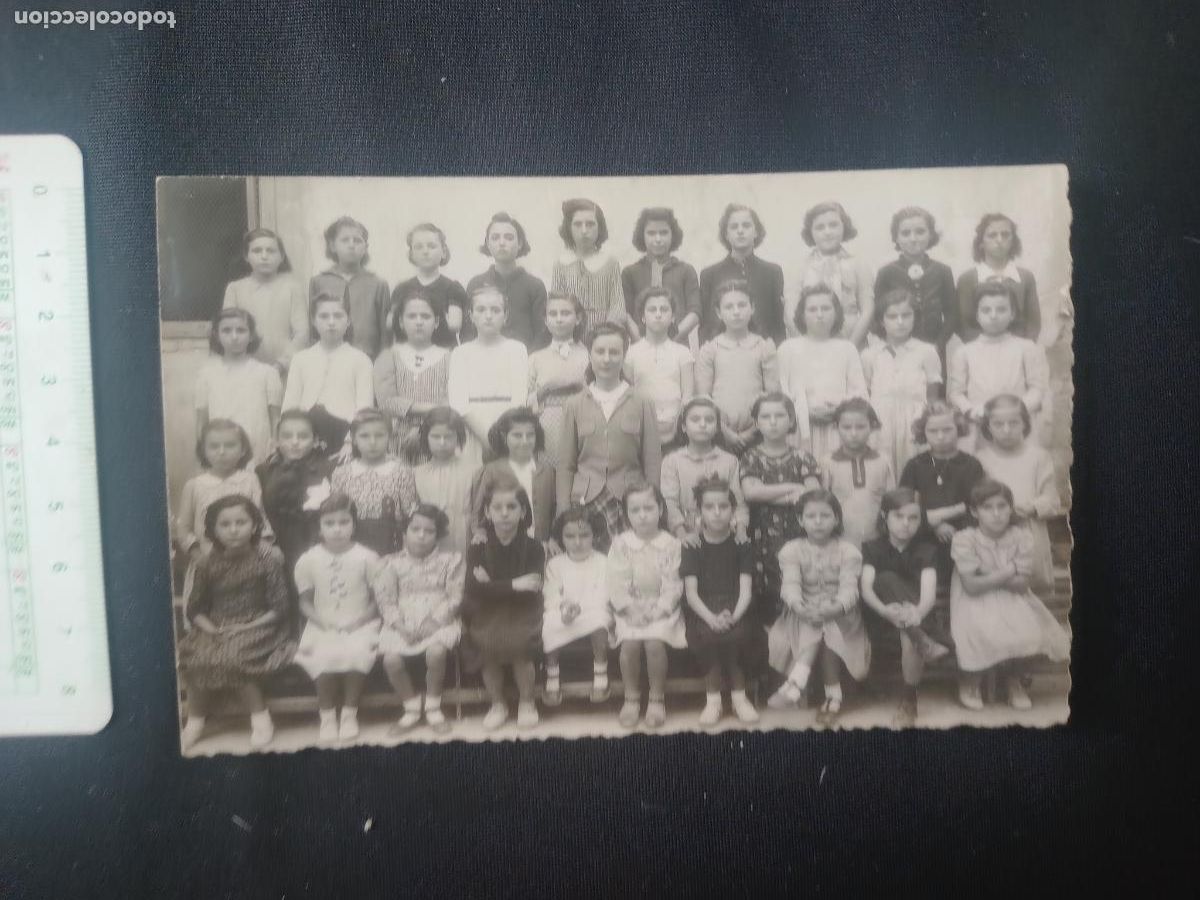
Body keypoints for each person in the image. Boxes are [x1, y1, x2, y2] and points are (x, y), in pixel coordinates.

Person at [177, 495, 295, 752]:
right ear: (213, 530)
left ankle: (260, 718)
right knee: (198, 657)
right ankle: (195, 722)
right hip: (215, 625)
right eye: (225, 524)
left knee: (233, 656)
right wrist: (213, 629)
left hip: (261, 625)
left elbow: (280, 608)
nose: (233, 530)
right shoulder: (206, 563)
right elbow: (195, 608)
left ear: (254, 526)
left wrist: (243, 628)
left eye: (241, 522)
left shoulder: (267, 560)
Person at [950, 478, 1069, 710]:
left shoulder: (1021, 537)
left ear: (1010, 508)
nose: (996, 514)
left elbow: (1021, 586)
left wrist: (986, 572)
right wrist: (1008, 570)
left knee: (1026, 629)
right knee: (980, 629)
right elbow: (972, 587)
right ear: (975, 512)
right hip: (972, 600)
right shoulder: (965, 539)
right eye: (987, 508)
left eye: (1002, 506)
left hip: (1012, 596)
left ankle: (1014, 681)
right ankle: (971, 681)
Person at [767, 490, 870, 728]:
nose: (818, 521)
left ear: (836, 519)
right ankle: (833, 698)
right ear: (800, 520)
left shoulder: (849, 551)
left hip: (843, 616)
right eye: (811, 516)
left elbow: (849, 590)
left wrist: (833, 608)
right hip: (801, 615)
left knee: (829, 625)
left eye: (825, 516)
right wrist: (800, 607)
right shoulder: (791, 550)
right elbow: (790, 586)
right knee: (818, 624)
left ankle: (795, 683)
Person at [556, 322, 662, 551]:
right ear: (590, 355)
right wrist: (564, 510)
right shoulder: (574, 404)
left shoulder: (642, 402)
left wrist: (651, 503)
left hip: (630, 500)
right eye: (600, 351)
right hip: (585, 500)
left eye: (614, 352)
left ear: (624, 355)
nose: (606, 359)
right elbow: (565, 464)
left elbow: (652, 460)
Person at [292, 493, 381, 743]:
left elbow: (378, 600)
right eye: (329, 523)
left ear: (354, 524)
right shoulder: (309, 560)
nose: (337, 529)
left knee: (356, 652)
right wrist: (322, 622)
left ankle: (349, 714)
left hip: (361, 620)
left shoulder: (367, 557)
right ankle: (328, 716)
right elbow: (304, 602)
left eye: (344, 522)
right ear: (319, 527)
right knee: (323, 654)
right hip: (323, 621)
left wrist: (360, 620)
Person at [859, 488, 950, 727]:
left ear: (921, 521)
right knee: (884, 579)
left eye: (913, 518)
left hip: (919, 618)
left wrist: (916, 614)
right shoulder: (872, 548)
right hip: (881, 618)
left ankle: (909, 700)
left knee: (909, 636)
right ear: (884, 517)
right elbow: (867, 589)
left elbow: (928, 595)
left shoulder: (928, 550)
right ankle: (923, 641)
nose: (906, 524)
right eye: (898, 516)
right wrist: (884, 611)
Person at [462, 476, 545, 731]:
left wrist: (493, 585)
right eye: (497, 508)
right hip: (487, 611)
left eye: (512, 507)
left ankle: (527, 703)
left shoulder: (533, 547)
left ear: (523, 512)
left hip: (524, 610)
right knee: (486, 643)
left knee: (520, 643)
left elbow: (532, 589)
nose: (504, 513)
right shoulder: (478, 547)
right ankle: (497, 703)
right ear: (487, 512)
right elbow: (474, 589)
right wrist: (513, 584)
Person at [373, 505, 464, 735]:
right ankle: (411, 707)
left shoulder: (451, 560)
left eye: (429, 531)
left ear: (439, 535)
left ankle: (433, 707)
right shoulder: (390, 563)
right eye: (415, 529)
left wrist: (432, 623)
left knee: (436, 653)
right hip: (402, 622)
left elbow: (455, 597)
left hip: (438, 620)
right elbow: (386, 601)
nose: (421, 536)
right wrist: (401, 627)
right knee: (391, 660)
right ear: (405, 532)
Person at [681, 477, 762, 726]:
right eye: (709, 507)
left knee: (737, 637)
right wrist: (712, 618)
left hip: (737, 606)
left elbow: (746, 590)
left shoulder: (742, 544)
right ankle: (713, 701)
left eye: (724, 506)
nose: (717, 513)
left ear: (733, 510)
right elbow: (691, 593)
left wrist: (732, 617)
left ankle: (740, 699)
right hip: (703, 609)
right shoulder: (692, 545)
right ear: (699, 511)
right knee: (708, 637)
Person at [738, 392, 823, 627]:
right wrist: (791, 489)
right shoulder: (751, 457)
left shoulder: (803, 457)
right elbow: (751, 492)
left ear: (791, 420)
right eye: (766, 417)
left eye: (779, 415)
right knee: (768, 594)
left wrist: (769, 493)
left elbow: (811, 496)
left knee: (797, 586)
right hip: (762, 538)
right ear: (756, 423)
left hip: (798, 535)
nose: (773, 422)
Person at [607, 482, 684, 729]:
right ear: (627, 514)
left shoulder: (671, 544)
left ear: (660, 509)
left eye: (649, 508)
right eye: (635, 510)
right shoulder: (621, 543)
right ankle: (631, 699)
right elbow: (616, 581)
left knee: (654, 643)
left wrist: (659, 609)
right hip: (630, 609)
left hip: (662, 609)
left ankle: (656, 699)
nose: (642, 516)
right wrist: (631, 610)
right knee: (628, 644)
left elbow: (673, 583)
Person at [947, 281, 1049, 447]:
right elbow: (956, 393)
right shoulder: (964, 352)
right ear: (977, 314)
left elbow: (1037, 389)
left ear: (1012, 313)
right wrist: (972, 410)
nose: (993, 316)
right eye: (986, 310)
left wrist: (1016, 411)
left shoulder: (1026, 347)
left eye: (1001, 309)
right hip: (979, 425)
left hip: (1016, 425)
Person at [974, 395, 1059, 591]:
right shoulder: (981, 459)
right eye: (998, 424)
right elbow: (977, 499)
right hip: (995, 533)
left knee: (1031, 585)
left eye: (1013, 423)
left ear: (1025, 424)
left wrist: (1031, 507)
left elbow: (1052, 499)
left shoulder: (1038, 457)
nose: (1006, 430)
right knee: (1001, 586)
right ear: (987, 427)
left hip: (1030, 529)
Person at [175, 419, 267, 601]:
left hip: (246, 559)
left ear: (242, 450)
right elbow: (183, 529)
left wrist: (262, 551)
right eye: (214, 446)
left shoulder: (250, 480)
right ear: (204, 451)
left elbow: (260, 519)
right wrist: (198, 556)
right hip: (208, 561)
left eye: (230, 445)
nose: (222, 452)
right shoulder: (195, 486)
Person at [899, 401, 985, 590]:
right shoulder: (915, 465)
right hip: (924, 535)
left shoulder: (971, 465)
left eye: (947, 430)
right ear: (924, 432)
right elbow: (903, 505)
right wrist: (934, 526)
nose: (940, 436)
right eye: (933, 431)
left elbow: (977, 505)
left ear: (959, 429)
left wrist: (958, 532)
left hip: (963, 535)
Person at [256, 410, 334, 617]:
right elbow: (258, 511)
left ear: (316, 440)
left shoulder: (328, 468)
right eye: (287, 436)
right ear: (277, 440)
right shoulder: (263, 471)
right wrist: (267, 544)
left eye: (303, 436)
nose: (295, 442)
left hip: (314, 540)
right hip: (277, 543)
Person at [777, 283, 867, 460]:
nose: (819, 315)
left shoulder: (846, 348)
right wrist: (803, 412)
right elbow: (782, 392)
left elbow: (859, 392)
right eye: (812, 309)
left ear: (836, 313)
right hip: (800, 429)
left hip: (837, 428)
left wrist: (839, 411)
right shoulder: (788, 348)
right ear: (802, 315)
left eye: (826, 308)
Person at [860, 287, 943, 476]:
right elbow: (865, 394)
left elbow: (933, 395)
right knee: (883, 468)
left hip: (914, 419)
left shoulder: (926, 351)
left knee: (914, 468)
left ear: (915, 317)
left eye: (906, 315)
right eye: (892, 316)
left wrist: (926, 422)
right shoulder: (870, 354)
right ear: (881, 320)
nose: (900, 322)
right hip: (881, 422)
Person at [694, 279, 781, 452]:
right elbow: (704, 398)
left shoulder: (764, 347)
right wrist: (726, 432)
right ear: (719, 312)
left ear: (752, 308)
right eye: (729, 307)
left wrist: (751, 431)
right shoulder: (710, 350)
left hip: (758, 434)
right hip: (718, 434)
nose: (736, 312)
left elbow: (772, 396)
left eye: (742, 305)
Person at [281, 290, 374, 451]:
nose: (331, 322)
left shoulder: (361, 360)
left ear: (348, 320)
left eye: (338, 316)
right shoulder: (301, 359)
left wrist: (350, 442)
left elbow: (364, 408)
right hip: (304, 436)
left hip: (344, 435)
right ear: (313, 321)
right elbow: (290, 405)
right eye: (323, 316)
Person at [447, 285, 529, 466]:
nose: (488, 315)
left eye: (496, 310)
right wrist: (486, 438)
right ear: (471, 315)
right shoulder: (461, 353)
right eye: (481, 309)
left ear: (506, 316)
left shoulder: (516, 349)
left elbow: (519, 397)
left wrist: (501, 438)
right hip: (472, 431)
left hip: (507, 431)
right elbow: (458, 402)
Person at [541, 508, 613, 707]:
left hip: (592, 610)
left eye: (584, 535)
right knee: (548, 624)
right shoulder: (555, 564)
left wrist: (580, 608)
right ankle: (552, 676)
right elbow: (551, 593)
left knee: (600, 623)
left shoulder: (602, 562)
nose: (578, 542)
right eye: (570, 536)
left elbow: (604, 593)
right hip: (564, 612)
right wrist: (564, 607)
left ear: (595, 535)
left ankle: (601, 675)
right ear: (561, 538)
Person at [872, 206, 959, 366]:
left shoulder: (942, 271)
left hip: (934, 348)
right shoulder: (886, 272)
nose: (913, 238)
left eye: (920, 231)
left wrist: (938, 344)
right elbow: (876, 316)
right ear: (896, 237)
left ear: (930, 234)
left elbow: (952, 314)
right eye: (905, 233)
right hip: (897, 351)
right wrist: (893, 344)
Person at [194, 308, 281, 465]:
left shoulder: (267, 373)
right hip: (221, 453)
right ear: (217, 335)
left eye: (241, 330)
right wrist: (204, 453)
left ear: (251, 335)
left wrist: (275, 449)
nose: (234, 337)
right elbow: (202, 420)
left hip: (258, 453)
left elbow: (275, 418)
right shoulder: (206, 375)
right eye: (226, 331)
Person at [330, 408, 420, 556]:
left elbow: (409, 517)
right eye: (364, 436)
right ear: (353, 438)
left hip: (391, 548)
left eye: (379, 435)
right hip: (353, 549)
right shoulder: (342, 473)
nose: (372, 442)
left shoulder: (402, 472)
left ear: (389, 437)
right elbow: (336, 516)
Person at [373, 292, 450, 463]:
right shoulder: (388, 356)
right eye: (411, 316)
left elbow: (450, 401)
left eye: (426, 316)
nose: (419, 321)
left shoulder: (449, 358)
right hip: (398, 439)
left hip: (438, 437)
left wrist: (424, 428)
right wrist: (431, 408)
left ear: (436, 322)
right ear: (401, 322)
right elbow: (387, 402)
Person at [660, 397, 748, 547]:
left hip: (723, 536)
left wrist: (741, 530)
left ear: (717, 427)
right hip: (686, 536)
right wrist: (682, 535)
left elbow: (739, 502)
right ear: (683, 427)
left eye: (709, 420)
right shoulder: (672, 461)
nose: (702, 424)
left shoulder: (729, 461)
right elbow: (669, 502)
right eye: (695, 419)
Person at [790, 201, 874, 347]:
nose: (827, 232)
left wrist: (850, 347)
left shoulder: (858, 264)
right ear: (810, 232)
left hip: (852, 340)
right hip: (811, 342)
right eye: (820, 227)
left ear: (844, 227)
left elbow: (868, 310)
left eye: (833, 225)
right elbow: (790, 313)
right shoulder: (800, 267)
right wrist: (807, 345)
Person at [698, 203, 785, 344]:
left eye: (746, 225)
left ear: (756, 231)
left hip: (762, 352)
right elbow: (706, 326)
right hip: (722, 353)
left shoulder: (772, 272)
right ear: (726, 234)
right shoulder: (709, 275)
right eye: (734, 227)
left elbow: (778, 324)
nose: (740, 231)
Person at [221, 228, 307, 370]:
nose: (264, 256)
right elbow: (229, 331)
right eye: (257, 251)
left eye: (271, 251)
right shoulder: (235, 289)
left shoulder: (292, 288)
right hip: (245, 369)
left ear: (282, 256)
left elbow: (302, 333)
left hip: (285, 369)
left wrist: (282, 364)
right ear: (246, 256)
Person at [469, 407, 556, 543]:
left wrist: (553, 538)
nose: (525, 441)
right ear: (504, 438)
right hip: (503, 544)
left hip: (539, 544)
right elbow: (478, 512)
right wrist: (480, 533)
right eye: (517, 435)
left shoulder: (547, 472)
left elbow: (553, 511)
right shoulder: (492, 470)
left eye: (530, 435)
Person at [309, 216, 390, 359]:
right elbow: (313, 327)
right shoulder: (319, 281)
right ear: (333, 245)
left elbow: (385, 331)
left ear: (365, 247)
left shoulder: (378, 284)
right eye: (345, 240)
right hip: (328, 356)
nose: (351, 245)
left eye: (358, 240)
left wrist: (383, 360)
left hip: (368, 356)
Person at [623, 285, 695, 444]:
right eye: (652, 309)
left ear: (673, 317)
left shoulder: (682, 352)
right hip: (641, 428)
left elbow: (687, 395)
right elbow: (628, 394)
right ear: (642, 317)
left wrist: (676, 424)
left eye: (664, 309)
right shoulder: (631, 353)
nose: (658, 314)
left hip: (675, 429)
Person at [551, 198, 632, 338]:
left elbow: (617, 306)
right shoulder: (561, 264)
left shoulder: (610, 263)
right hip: (571, 334)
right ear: (568, 228)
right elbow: (557, 306)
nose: (584, 230)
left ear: (599, 227)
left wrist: (604, 334)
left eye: (590, 224)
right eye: (577, 224)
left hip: (604, 334)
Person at [820, 398, 895, 549]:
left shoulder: (883, 460)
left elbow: (891, 501)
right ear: (836, 427)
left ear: (872, 427)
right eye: (846, 427)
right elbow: (823, 503)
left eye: (860, 427)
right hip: (840, 540)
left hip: (876, 539)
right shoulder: (827, 461)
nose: (853, 433)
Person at [466, 211, 547, 348]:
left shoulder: (534, 286)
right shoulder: (476, 284)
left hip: (523, 361)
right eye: (495, 238)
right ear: (488, 243)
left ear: (520, 243)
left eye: (509, 238)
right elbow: (468, 332)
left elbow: (542, 333)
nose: (502, 243)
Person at [621, 207, 701, 346]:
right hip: (640, 348)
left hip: (677, 347)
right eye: (651, 233)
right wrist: (642, 342)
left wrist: (670, 342)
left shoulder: (686, 271)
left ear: (673, 235)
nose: (658, 239)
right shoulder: (630, 273)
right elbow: (625, 314)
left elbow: (695, 312)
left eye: (663, 233)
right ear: (642, 235)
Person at [956, 213, 1042, 343]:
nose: (999, 240)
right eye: (992, 235)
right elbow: (964, 326)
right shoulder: (967, 279)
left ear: (1013, 241)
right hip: (980, 352)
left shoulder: (1025, 277)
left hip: (1019, 351)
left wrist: (1022, 348)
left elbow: (1033, 323)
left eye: (1005, 234)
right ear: (981, 242)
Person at [526, 292, 589, 466]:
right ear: (545, 321)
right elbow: (525, 400)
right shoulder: (536, 358)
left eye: (566, 313)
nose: (559, 319)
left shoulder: (588, 356)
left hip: (581, 421)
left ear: (578, 318)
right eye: (553, 314)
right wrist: (544, 390)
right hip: (547, 423)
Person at [390, 222, 468, 349]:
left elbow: (455, 325)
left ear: (443, 252)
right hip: (408, 355)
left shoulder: (453, 288)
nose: (425, 251)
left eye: (431, 246)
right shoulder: (401, 289)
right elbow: (391, 324)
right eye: (419, 247)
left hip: (443, 354)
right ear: (412, 254)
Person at [413, 407, 475, 555]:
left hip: (462, 536)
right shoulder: (417, 473)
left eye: (449, 436)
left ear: (458, 437)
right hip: (429, 537)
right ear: (425, 437)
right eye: (435, 436)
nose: (442, 442)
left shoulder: (473, 470)